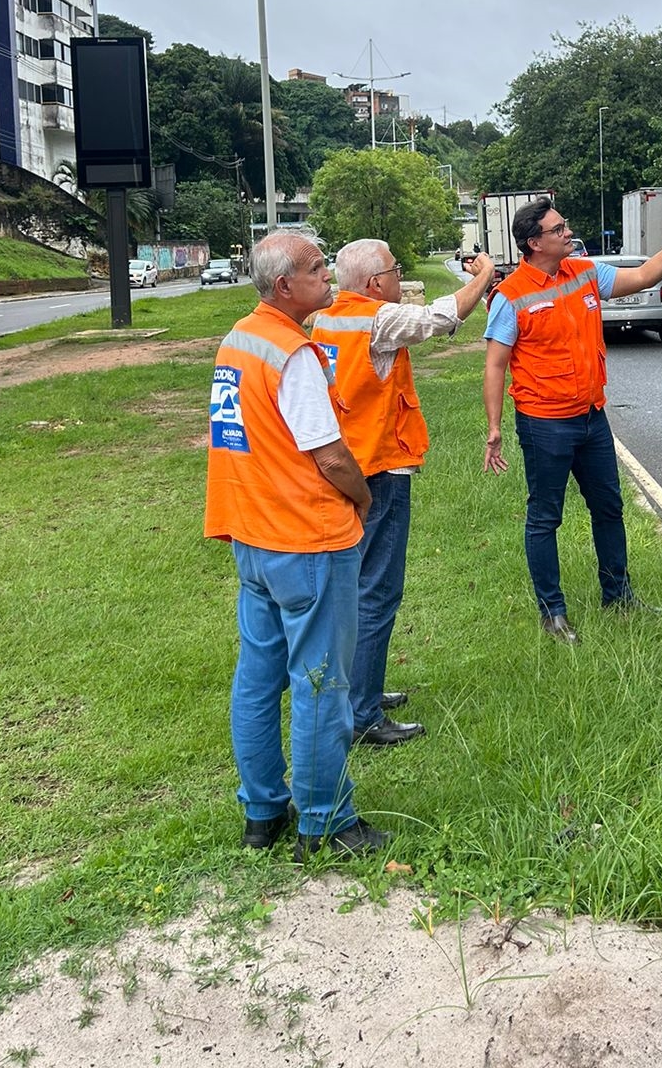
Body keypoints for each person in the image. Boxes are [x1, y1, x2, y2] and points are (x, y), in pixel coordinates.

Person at [206, 231, 386, 862]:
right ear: (285, 286)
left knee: (257, 678)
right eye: (317, 270)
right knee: (319, 683)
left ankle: (262, 811)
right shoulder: (295, 354)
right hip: (306, 541)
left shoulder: (237, 340)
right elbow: (331, 455)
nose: (328, 279)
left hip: (251, 536)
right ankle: (325, 819)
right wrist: (363, 499)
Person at [482, 198, 662, 642]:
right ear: (534, 243)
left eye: (565, 225)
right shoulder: (510, 296)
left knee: (609, 508)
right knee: (545, 517)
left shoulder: (584, 271)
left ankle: (618, 596)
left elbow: (643, 276)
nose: (568, 232)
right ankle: (553, 612)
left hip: (591, 417)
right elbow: (495, 365)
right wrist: (494, 428)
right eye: (558, 228)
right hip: (544, 423)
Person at [311, 240, 500, 749]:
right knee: (377, 592)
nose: (400, 279)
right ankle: (362, 715)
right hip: (379, 468)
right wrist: (484, 277)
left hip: (345, 467)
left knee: (353, 589)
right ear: (375, 283)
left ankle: (359, 692)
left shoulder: (328, 316)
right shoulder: (378, 320)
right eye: (395, 271)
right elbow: (439, 317)